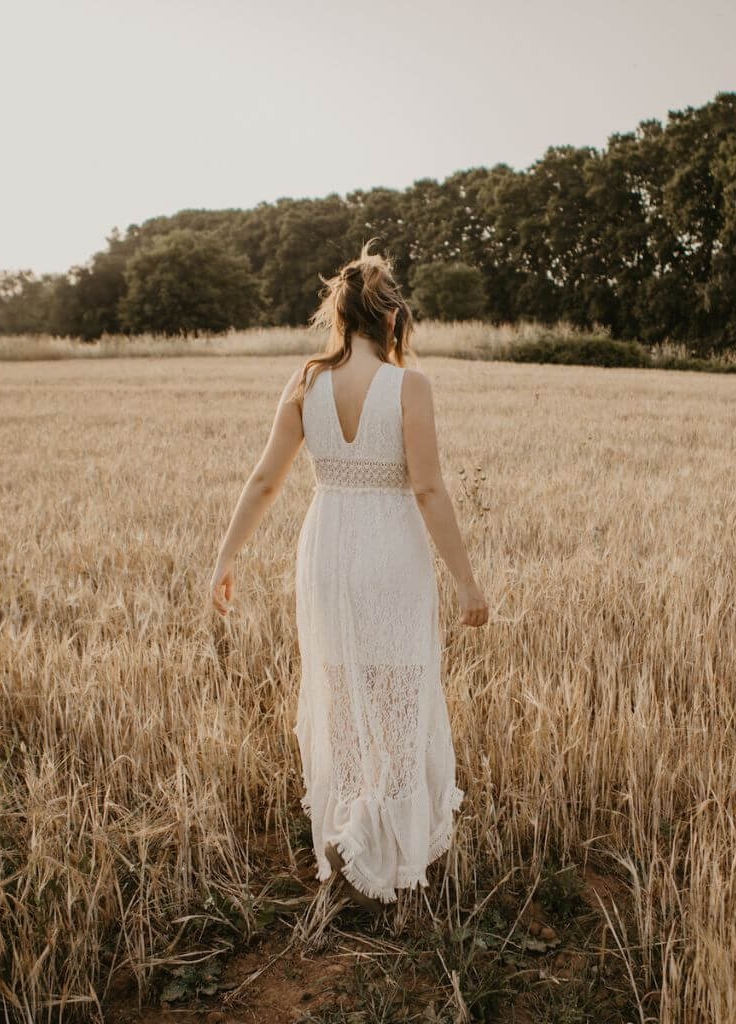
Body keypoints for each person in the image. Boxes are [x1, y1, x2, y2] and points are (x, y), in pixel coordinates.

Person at [209, 238, 489, 914]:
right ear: (392, 318)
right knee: (396, 693)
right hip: (390, 546)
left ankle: (349, 842)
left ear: (341, 316)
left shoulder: (306, 380)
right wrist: (467, 582)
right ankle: (390, 854)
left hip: (328, 546)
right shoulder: (409, 386)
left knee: (340, 690)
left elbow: (265, 479)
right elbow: (427, 490)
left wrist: (226, 556)